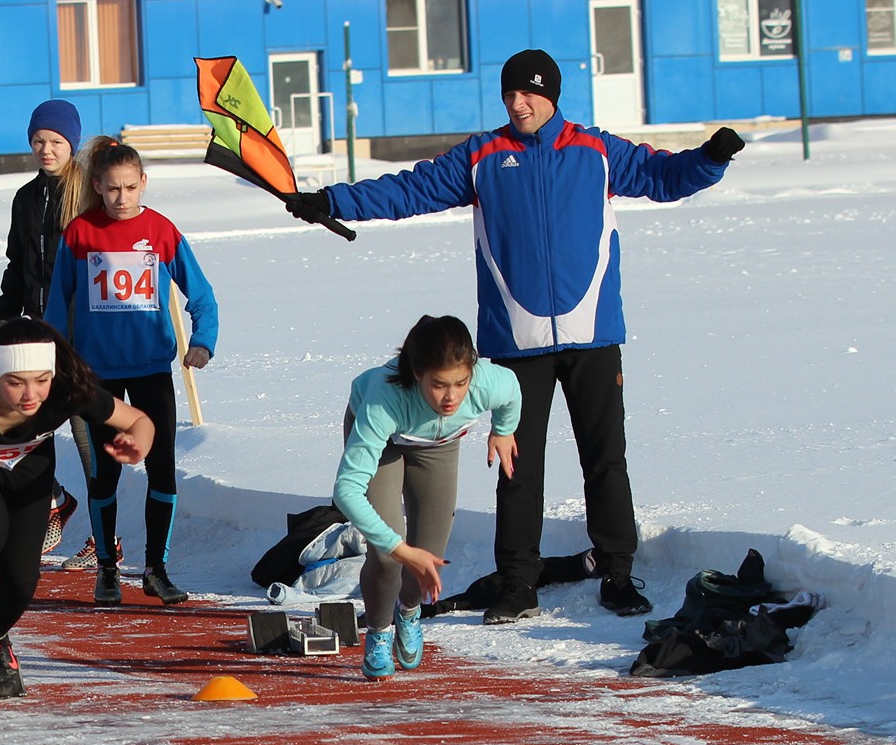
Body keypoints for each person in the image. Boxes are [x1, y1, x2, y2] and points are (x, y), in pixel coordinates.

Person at [285, 49, 742, 624]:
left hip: (594, 334)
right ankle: (517, 582)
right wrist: (331, 200)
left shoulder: (596, 149)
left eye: (527, 94)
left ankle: (618, 571)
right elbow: (409, 189)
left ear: (551, 95)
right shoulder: (483, 155)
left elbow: (663, 175)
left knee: (606, 457)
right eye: (508, 95)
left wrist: (711, 160)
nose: (517, 103)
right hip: (514, 343)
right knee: (516, 467)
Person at [0, 318, 155, 696]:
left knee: (22, 576)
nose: (29, 394)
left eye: (40, 379)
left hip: (28, 463)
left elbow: (139, 420)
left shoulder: (66, 391)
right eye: (15, 382)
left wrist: (139, 444)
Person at [44, 136, 218, 609]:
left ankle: (156, 570)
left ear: (143, 183)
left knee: (162, 471)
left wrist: (203, 342)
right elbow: (58, 304)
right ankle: (106, 569)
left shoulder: (162, 231)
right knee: (105, 476)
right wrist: (56, 360)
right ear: (97, 185)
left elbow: (201, 295)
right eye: (112, 189)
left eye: (130, 188)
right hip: (97, 375)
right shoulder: (80, 233)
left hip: (150, 371)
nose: (122, 199)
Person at [332, 315, 522, 682]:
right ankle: (378, 631)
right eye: (438, 385)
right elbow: (346, 490)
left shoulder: (487, 383)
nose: (450, 397)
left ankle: (408, 611)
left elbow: (512, 390)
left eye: (460, 383)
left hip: (438, 446)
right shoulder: (384, 401)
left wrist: (503, 430)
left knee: (430, 555)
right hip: (385, 443)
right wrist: (399, 548)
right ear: (417, 373)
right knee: (388, 555)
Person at [0, 99, 91, 563]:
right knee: (27, 425)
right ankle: (54, 500)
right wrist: (5, 317)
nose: (45, 149)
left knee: (87, 430)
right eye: (38, 141)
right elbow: (18, 263)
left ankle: (105, 538)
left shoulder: (88, 194)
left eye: (54, 141)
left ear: (71, 143)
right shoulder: (26, 198)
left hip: (83, 334)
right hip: (37, 332)